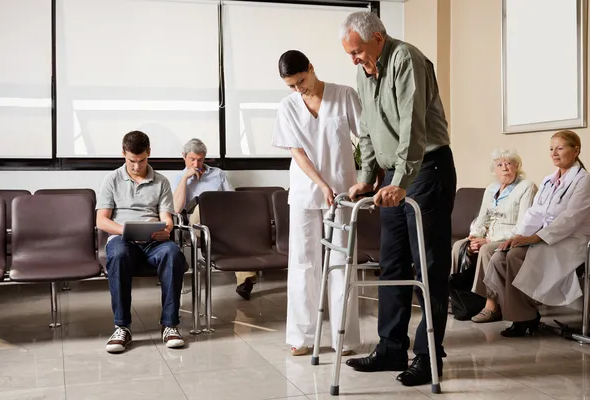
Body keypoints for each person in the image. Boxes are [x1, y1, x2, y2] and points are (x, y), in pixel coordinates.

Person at [340, 12, 456, 387]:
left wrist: (403, 179)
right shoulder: (363, 71)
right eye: (350, 54)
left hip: (426, 170)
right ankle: (391, 347)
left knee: (429, 267)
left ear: (377, 38)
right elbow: (369, 130)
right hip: (393, 177)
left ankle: (427, 356)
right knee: (392, 265)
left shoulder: (406, 59)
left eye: (357, 51)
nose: (354, 59)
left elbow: (412, 125)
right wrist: (366, 178)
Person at [271, 50, 361, 356]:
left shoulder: (345, 95)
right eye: (291, 85)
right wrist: (322, 184)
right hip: (305, 191)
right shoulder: (288, 106)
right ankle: (303, 336)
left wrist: (368, 180)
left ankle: (343, 337)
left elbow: (368, 138)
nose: (299, 89)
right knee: (303, 263)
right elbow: (297, 151)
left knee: (341, 263)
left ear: (311, 68)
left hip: (344, 193)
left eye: (301, 80)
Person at [484, 130, 590, 337]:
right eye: (551, 149)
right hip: (546, 238)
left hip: (570, 241)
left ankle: (524, 318)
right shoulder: (549, 180)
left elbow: (570, 219)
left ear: (576, 150)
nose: (554, 153)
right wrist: (516, 237)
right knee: (498, 256)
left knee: (515, 256)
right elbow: (535, 213)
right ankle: (521, 314)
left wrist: (534, 238)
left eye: (560, 148)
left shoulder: (583, 180)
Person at [96, 130, 187, 353]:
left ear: (149, 153)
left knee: (173, 253)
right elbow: (101, 221)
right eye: (131, 161)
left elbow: (166, 218)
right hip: (122, 239)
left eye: (141, 160)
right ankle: (122, 327)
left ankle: (170, 325)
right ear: (123, 154)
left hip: (153, 241)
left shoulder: (161, 181)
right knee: (117, 254)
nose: (136, 166)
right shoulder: (112, 180)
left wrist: (167, 229)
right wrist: (127, 231)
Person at [451, 149, 537, 323]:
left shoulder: (527, 187)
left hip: (511, 238)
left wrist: (488, 241)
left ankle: (492, 305)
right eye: (500, 164)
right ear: (494, 170)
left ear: (517, 166)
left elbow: (523, 226)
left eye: (509, 163)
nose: (505, 167)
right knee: (459, 246)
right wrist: (473, 237)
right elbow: (482, 218)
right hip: (488, 235)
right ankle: (455, 298)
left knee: (486, 250)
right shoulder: (491, 189)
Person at [171, 138, 257, 300]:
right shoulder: (179, 177)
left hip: (222, 221)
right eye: (192, 160)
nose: (197, 164)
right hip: (195, 225)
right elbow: (176, 209)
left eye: (200, 159)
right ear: (184, 157)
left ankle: (245, 280)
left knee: (240, 229)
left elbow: (232, 200)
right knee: (202, 202)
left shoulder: (217, 174)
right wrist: (185, 180)